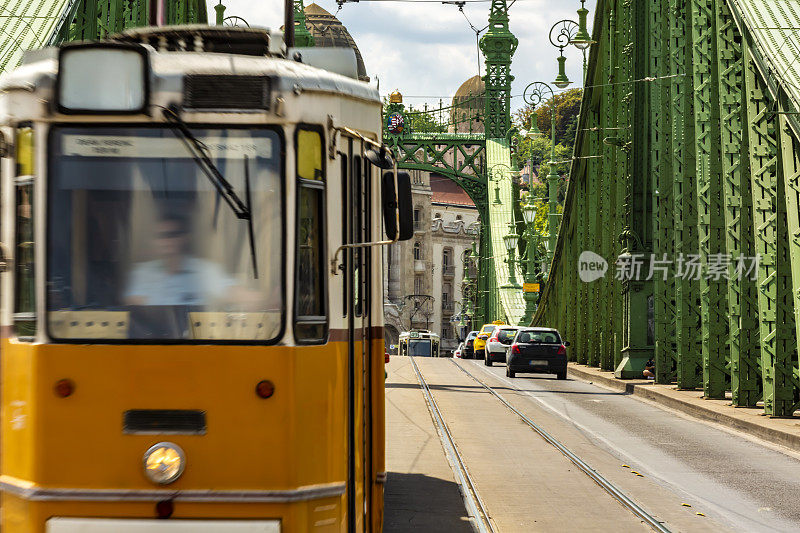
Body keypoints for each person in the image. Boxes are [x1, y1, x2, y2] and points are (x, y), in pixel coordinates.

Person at [125, 214, 264, 309]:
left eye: (172, 234)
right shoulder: (142, 273)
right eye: (160, 236)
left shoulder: (206, 271)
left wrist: (273, 299)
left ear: (184, 237)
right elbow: (135, 311)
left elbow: (237, 295)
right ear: (153, 240)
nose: (166, 240)